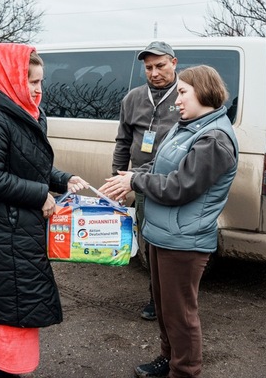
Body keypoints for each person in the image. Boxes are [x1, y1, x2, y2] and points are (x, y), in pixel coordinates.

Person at [100, 65, 238, 378]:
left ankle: (185, 370)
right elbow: (161, 165)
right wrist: (134, 174)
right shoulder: (186, 126)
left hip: (185, 241)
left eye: (183, 92)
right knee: (165, 309)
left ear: (204, 92)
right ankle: (169, 358)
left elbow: (179, 186)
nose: (177, 99)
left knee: (181, 314)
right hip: (164, 234)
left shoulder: (214, 139)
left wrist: (135, 183)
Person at [0, 43, 89, 378]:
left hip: (18, 228)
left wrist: (62, 180)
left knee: (18, 305)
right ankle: (7, 371)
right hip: (2, 232)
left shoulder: (24, 113)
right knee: (13, 308)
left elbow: (29, 166)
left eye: (40, 82)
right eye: (33, 83)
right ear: (10, 80)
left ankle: (5, 368)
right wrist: (40, 196)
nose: (39, 90)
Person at [112, 40, 181, 321]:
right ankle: (156, 299)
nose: (154, 73)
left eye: (160, 65)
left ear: (174, 63)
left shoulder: (187, 94)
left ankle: (177, 300)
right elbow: (123, 142)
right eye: (148, 67)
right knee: (149, 242)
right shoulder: (133, 99)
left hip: (175, 181)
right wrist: (118, 179)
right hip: (141, 181)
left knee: (175, 244)